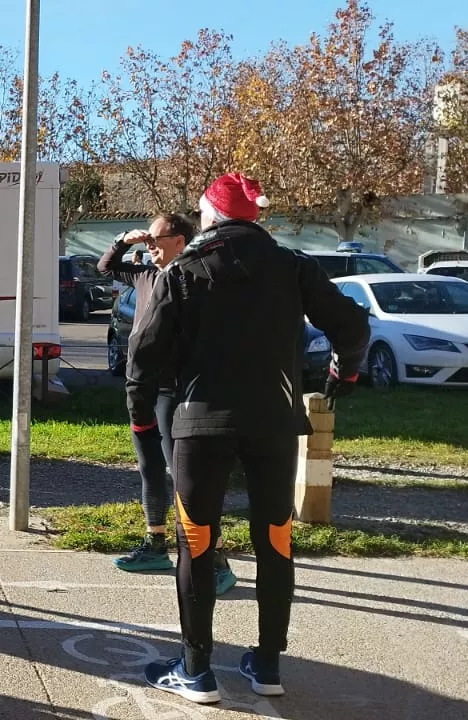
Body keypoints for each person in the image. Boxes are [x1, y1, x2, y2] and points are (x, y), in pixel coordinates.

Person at [130, 173, 370, 704]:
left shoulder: (183, 269)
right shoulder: (293, 266)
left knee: (197, 542)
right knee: (275, 539)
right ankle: (267, 665)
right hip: (274, 423)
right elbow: (353, 327)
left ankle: (196, 671)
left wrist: (141, 418)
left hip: (200, 422)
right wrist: (343, 372)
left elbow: (143, 354)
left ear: (211, 215)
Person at [100, 216, 239, 596]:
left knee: (185, 478)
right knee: (149, 468)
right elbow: (106, 267)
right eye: (147, 239)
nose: (150, 246)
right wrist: (124, 240)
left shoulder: (192, 278)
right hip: (141, 389)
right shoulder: (146, 276)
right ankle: (155, 543)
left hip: (174, 391)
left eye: (155, 238)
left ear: (180, 241)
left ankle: (216, 559)